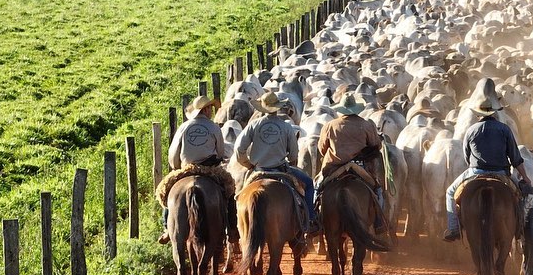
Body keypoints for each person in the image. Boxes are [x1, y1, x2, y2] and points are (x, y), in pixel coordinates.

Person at [443, 96, 533, 242]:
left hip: (476, 171)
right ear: (494, 113)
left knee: (450, 192)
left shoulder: (471, 130)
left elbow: (467, 157)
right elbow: (515, 158)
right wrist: (526, 178)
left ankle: (453, 229)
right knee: (523, 195)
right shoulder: (505, 129)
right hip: (502, 172)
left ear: (478, 114)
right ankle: (522, 227)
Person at [234, 91, 318, 234]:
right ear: (278, 107)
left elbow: (239, 149)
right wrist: (291, 163)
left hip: (258, 170)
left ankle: (234, 228)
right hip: (281, 169)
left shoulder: (254, 125)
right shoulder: (286, 127)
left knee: (237, 195)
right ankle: (310, 219)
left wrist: (248, 164)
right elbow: (293, 154)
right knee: (309, 184)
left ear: (262, 108)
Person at [159, 95, 239, 247]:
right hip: (209, 169)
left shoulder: (183, 127)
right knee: (230, 189)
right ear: (206, 109)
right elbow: (221, 152)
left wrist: (178, 167)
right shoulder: (214, 127)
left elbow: (173, 154)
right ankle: (231, 228)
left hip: (186, 168)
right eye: (210, 108)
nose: (211, 111)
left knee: (165, 191)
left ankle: (167, 227)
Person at [317, 93, 387, 234]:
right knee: (378, 191)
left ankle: (315, 220)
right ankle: (379, 221)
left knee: (316, 188)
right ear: (356, 108)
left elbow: (322, 149)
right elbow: (376, 146)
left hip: (333, 169)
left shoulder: (330, 126)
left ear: (341, 109)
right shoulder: (366, 125)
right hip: (360, 168)